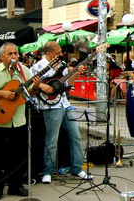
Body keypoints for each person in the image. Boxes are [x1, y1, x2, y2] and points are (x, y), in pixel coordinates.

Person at [0, 42, 42, 201]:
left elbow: (30, 94)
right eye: (10, 54)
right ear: (1, 57)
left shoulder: (24, 71)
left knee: (18, 155)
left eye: (15, 53)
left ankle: (15, 185)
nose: (14, 56)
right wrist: (3, 94)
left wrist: (36, 86)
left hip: (18, 120)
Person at [31, 41, 93, 184]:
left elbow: (67, 84)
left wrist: (75, 73)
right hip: (50, 106)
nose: (61, 54)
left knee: (75, 136)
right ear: (49, 53)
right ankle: (48, 171)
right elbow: (30, 83)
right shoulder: (38, 67)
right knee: (52, 139)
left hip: (64, 103)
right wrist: (42, 85)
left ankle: (77, 168)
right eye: (57, 52)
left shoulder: (62, 66)